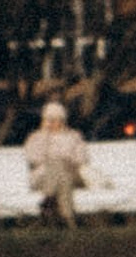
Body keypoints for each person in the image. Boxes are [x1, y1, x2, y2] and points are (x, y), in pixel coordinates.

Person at [23, 97, 89, 226]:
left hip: (72, 174)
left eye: (56, 120)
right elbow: (33, 158)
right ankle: (68, 218)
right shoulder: (36, 137)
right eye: (49, 120)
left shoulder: (74, 136)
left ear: (63, 120)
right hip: (43, 176)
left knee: (62, 171)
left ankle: (48, 198)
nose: (53, 123)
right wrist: (45, 137)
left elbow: (82, 158)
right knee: (60, 173)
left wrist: (67, 162)